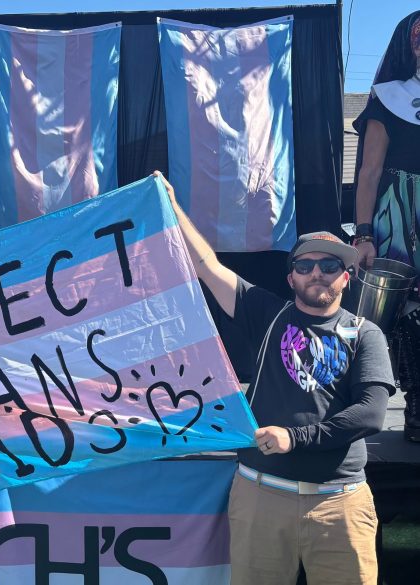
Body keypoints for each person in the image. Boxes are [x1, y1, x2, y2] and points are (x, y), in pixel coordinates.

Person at [155, 171, 394, 585]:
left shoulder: (365, 333)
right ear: (291, 278)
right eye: (305, 264)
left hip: (340, 504)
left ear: (345, 276)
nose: (316, 272)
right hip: (262, 495)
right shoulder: (266, 315)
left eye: (329, 264)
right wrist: (172, 205)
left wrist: (294, 437)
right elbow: (206, 264)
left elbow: (371, 415)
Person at [353, 10, 420, 441]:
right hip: (399, 212)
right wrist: (362, 233)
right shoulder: (387, 97)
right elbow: (369, 172)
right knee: (409, 313)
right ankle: (416, 404)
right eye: (418, 36)